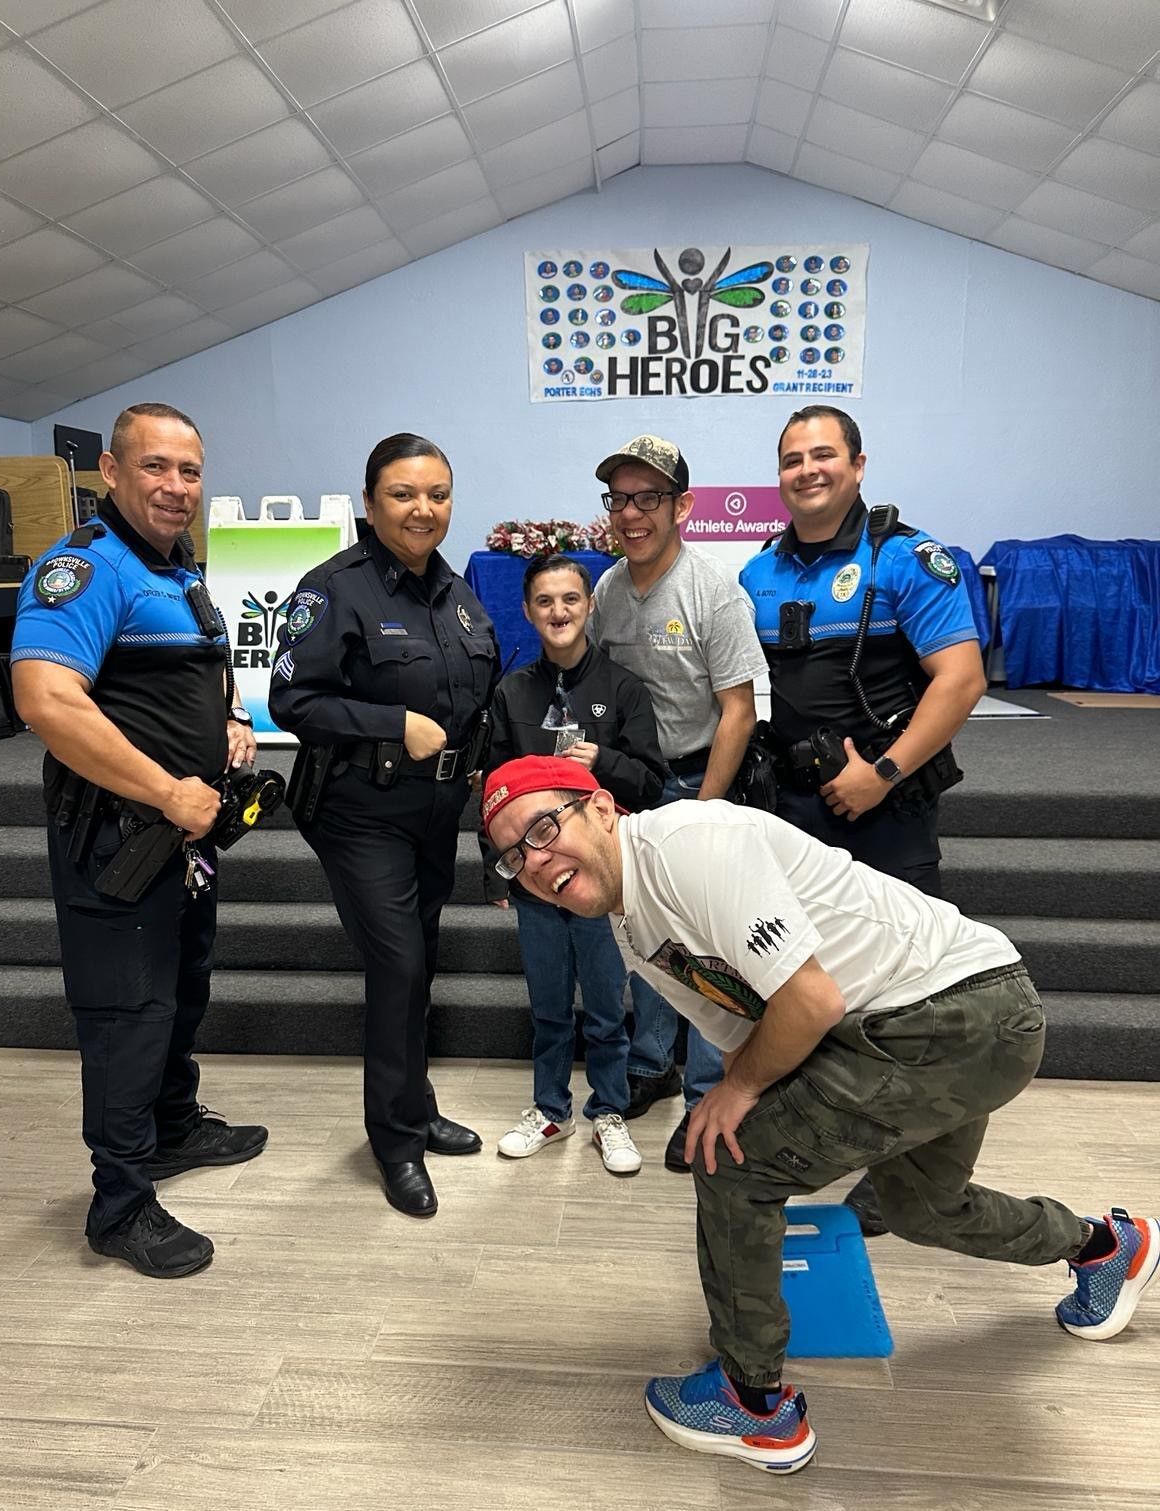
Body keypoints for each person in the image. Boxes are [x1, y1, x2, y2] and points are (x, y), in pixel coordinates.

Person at [481, 755, 1158, 1475]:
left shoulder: (688, 844)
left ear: (603, 806)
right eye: (513, 855)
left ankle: (752, 1401)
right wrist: (753, 1092)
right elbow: (748, 1026)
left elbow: (808, 1002)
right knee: (921, 1204)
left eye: (545, 826)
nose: (534, 859)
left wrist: (736, 1098)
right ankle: (1103, 1245)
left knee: (734, 1160)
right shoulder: (634, 929)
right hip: (943, 1020)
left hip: (957, 1009)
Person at [10, 402, 268, 1280]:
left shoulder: (177, 566)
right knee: (127, 1016)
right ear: (111, 473)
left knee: (182, 986)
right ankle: (119, 1204)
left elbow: (195, 669)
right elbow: (45, 700)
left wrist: (229, 715)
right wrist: (167, 789)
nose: (175, 486)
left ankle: (171, 1126)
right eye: (154, 467)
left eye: (189, 470)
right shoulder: (83, 569)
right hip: (117, 841)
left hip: (182, 840)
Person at [739, 405, 987, 1236]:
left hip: (885, 810)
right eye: (791, 458)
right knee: (818, 987)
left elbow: (960, 678)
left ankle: (910, 1174)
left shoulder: (908, 558)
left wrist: (881, 774)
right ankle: (834, 1140)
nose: (806, 469)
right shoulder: (759, 572)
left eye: (822, 455)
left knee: (914, 990)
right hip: (799, 817)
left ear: (857, 463)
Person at [269, 433, 497, 1219]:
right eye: (403, 493)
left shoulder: (458, 590)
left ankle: (417, 1103)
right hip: (359, 811)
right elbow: (291, 702)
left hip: (436, 809)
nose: (422, 508)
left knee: (421, 958)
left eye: (436, 493)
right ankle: (394, 1140)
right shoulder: (333, 588)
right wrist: (391, 720)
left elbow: (478, 687)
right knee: (397, 964)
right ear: (370, 502)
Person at [590, 434, 767, 1171]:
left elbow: (740, 709)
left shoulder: (712, 589)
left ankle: (703, 1097)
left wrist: (706, 809)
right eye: (619, 499)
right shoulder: (604, 591)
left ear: (682, 507)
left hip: (699, 780)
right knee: (644, 936)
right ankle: (652, 1060)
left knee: (703, 944)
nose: (631, 514)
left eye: (648, 498)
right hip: (633, 785)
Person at [484, 553, 666, 1175]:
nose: (558, 612)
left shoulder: (623, 689)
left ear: (589, 606)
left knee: (609, 1006)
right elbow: (490, 793)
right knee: (549, 1003)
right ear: (529, 611)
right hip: (536, 884)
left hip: (598, 884)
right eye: (544, 601)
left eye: (570, 599)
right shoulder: (512, 693)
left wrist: (604, 763)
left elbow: (651, 783)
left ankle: (610, 1110)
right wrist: (496, 867)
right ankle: (550, 1108)